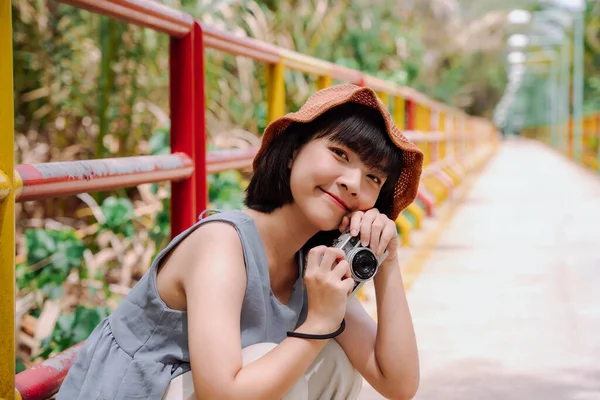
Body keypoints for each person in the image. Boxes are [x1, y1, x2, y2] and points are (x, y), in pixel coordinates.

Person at [57, 84, 424, 400]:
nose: (352, 183)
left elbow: (398, 384)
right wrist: (318, 322)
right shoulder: (222, 243)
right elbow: (223, 394)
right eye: (339, 154)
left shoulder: (311, 265)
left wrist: (385, 261)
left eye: (373, 177)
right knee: (273, 358)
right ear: (294, 150)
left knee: (336, 364)